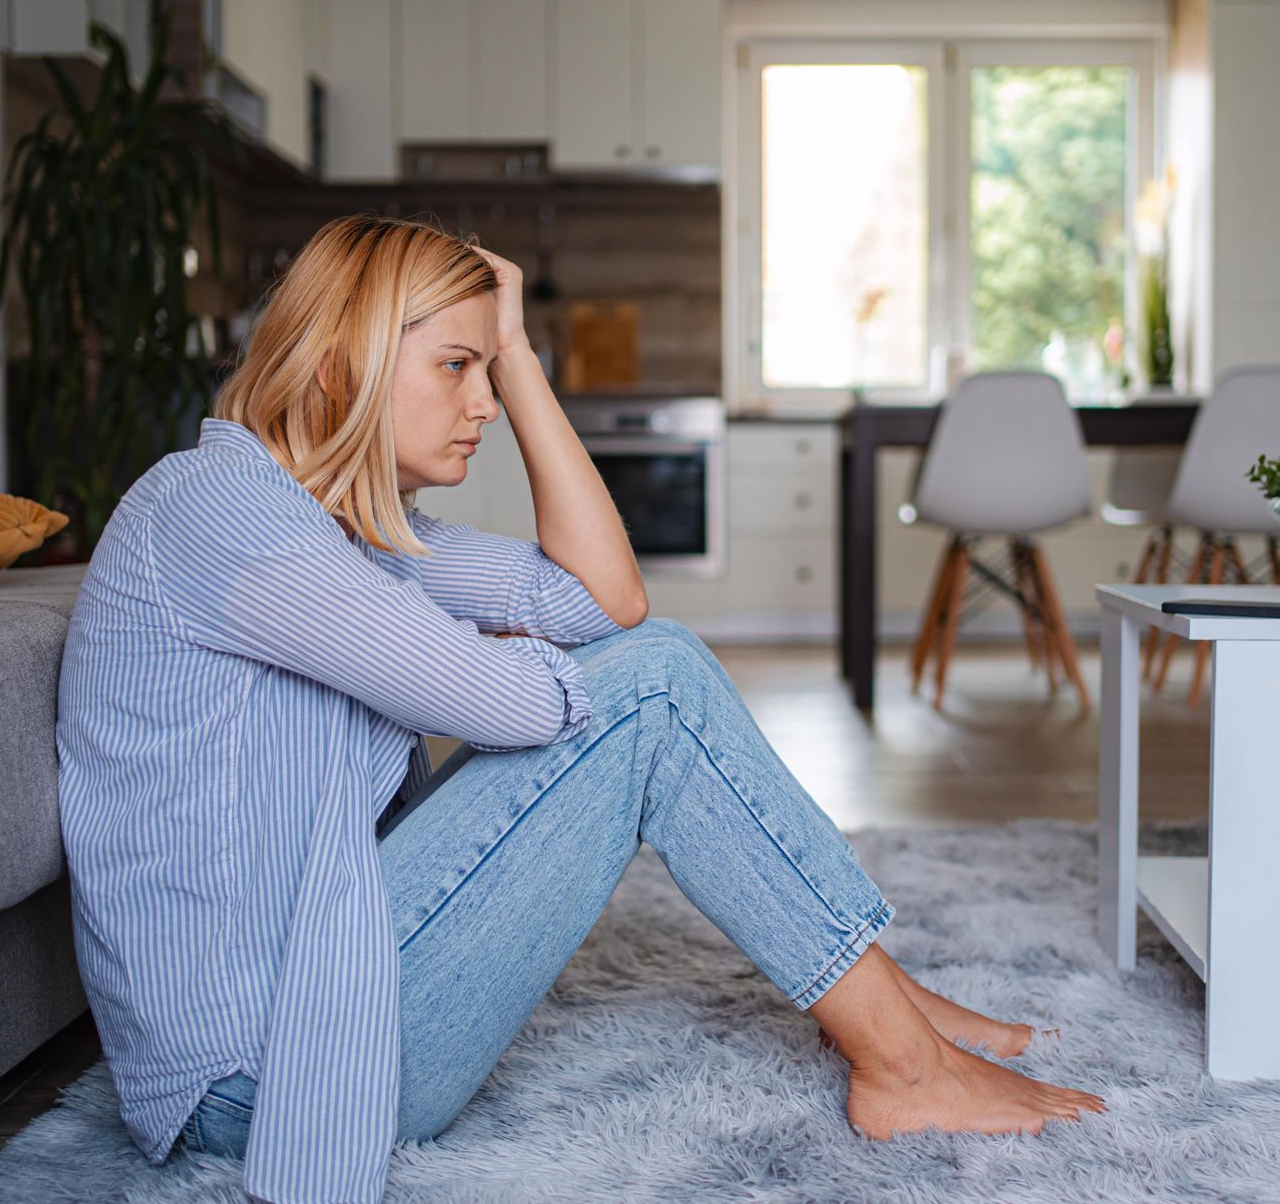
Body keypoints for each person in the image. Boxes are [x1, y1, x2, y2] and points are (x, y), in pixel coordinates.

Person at [55, 214, 1104, 1204]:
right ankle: (899, 1051)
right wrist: (541, 670)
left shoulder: (350, 531)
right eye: (455, 367)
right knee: (649, 684)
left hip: (327, 1000)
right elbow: (536, 688)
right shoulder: (218, 512)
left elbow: (602, 600)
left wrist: (517, 355)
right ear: (341, 364)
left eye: (487, 372)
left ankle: (881, 999)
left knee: (644, 663)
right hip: (269, 1070)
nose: (483, 405)